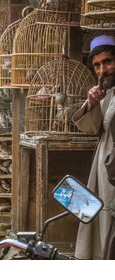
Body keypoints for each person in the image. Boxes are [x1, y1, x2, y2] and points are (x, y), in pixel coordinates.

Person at [72, 35, 115, 260]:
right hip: (104, 167)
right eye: (97, 65)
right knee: (99, 222)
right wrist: (92, 103)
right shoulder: (106, 92)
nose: (102, 70)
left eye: (107, 62)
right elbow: (91, 127)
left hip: (112, 169)